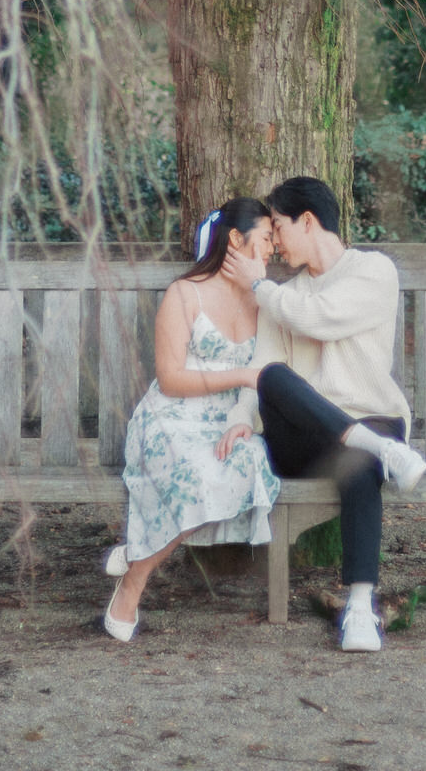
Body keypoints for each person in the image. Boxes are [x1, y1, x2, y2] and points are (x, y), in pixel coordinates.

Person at [222, 174, 426, 654]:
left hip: (372, 414)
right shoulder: (281, 294)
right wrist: (239, 416)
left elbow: (324, 317)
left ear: (308, 221)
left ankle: (359, 609)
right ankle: (383, 452)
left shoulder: (374, 272)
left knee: (356, 466)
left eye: (279, 226)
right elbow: (261, 370)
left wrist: (259, 288)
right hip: (308, 438)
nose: (273, 239)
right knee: (272, 375)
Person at [99, 198, 282, 642]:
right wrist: (243, 374)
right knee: (196, 474)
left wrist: (246, 411)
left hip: (233, 419)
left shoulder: (268, 300)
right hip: (172, 416)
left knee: (245, 464)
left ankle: (138, 552)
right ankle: (133, 585)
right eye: (265, 239)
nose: (273, 248)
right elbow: (171, 377)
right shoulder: (186, 293)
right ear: (236, 240)